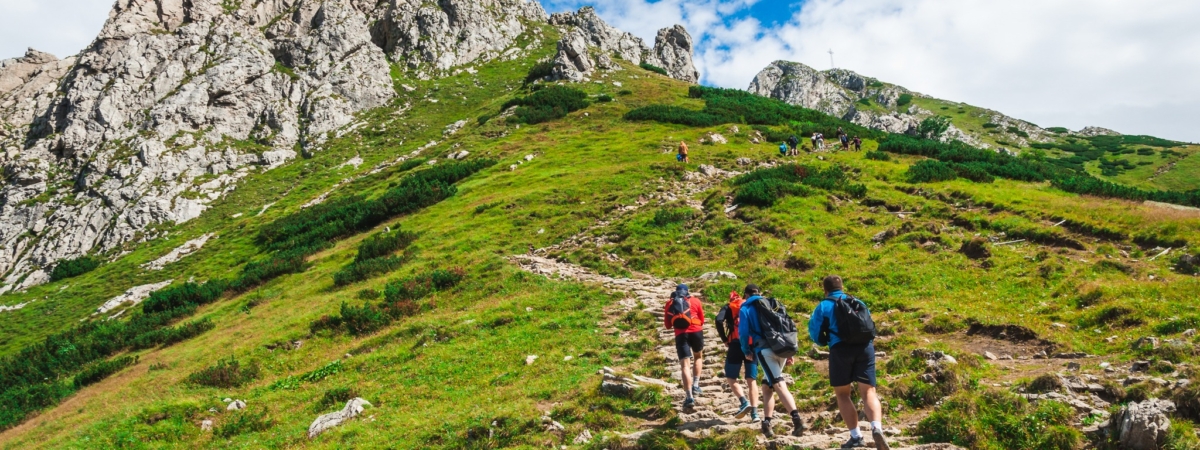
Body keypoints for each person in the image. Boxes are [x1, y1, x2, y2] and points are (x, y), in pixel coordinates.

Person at [808, 276, 890, 450]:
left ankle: (856, 436)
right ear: (842, 287)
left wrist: (825, 341)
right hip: (865, 348)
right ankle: (877, 427)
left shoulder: (823, 306)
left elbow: (815, 334)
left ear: (825, 290)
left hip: (840, 350)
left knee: (843, 394)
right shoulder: (857, 301)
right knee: (868, 392)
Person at [737, 284, 805, 438]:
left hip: (764, 350)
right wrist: (788, 352)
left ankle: (797, 420)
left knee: (778, 384)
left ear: (746, 295)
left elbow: (743, 332)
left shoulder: (746, 308)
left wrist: (746, 350)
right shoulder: (772, 304)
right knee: (767, 387)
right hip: (781, 348)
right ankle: (766, 424)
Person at [715, 291, 760, 421]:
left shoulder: (729, 306)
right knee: (752, 380)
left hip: (735, 344)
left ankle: (743, 401)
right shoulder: (751, 306)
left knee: (731, 377)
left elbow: (718, 320)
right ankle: (755, 413)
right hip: (752, 344)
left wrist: (724, 338)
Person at [664, 284, 704, 408]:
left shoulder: (670, 303)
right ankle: (696, 385)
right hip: (696, 331)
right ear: (687, 292)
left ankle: (689, 397)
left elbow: (667, 325)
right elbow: (702, 319)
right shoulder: (695, 301)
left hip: (681, 335)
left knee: (684, 366)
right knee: (698, 357)